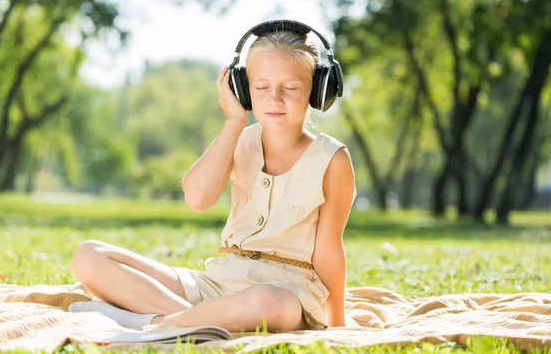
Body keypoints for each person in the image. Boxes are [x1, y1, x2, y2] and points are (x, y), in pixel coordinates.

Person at [68, 20, 357, 334]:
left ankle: (152, 323)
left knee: (268, 303)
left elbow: (328, 252)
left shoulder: (333, 160)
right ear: (243, 90)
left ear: (318, 91)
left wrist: (338, 324)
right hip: (217, 281)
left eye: (289, 87)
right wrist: (234, 122)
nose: (274, 98)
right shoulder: (240, 139)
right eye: (261, 87)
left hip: (286, 294)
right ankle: (187, 320)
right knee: (88, 256)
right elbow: (197, 199)